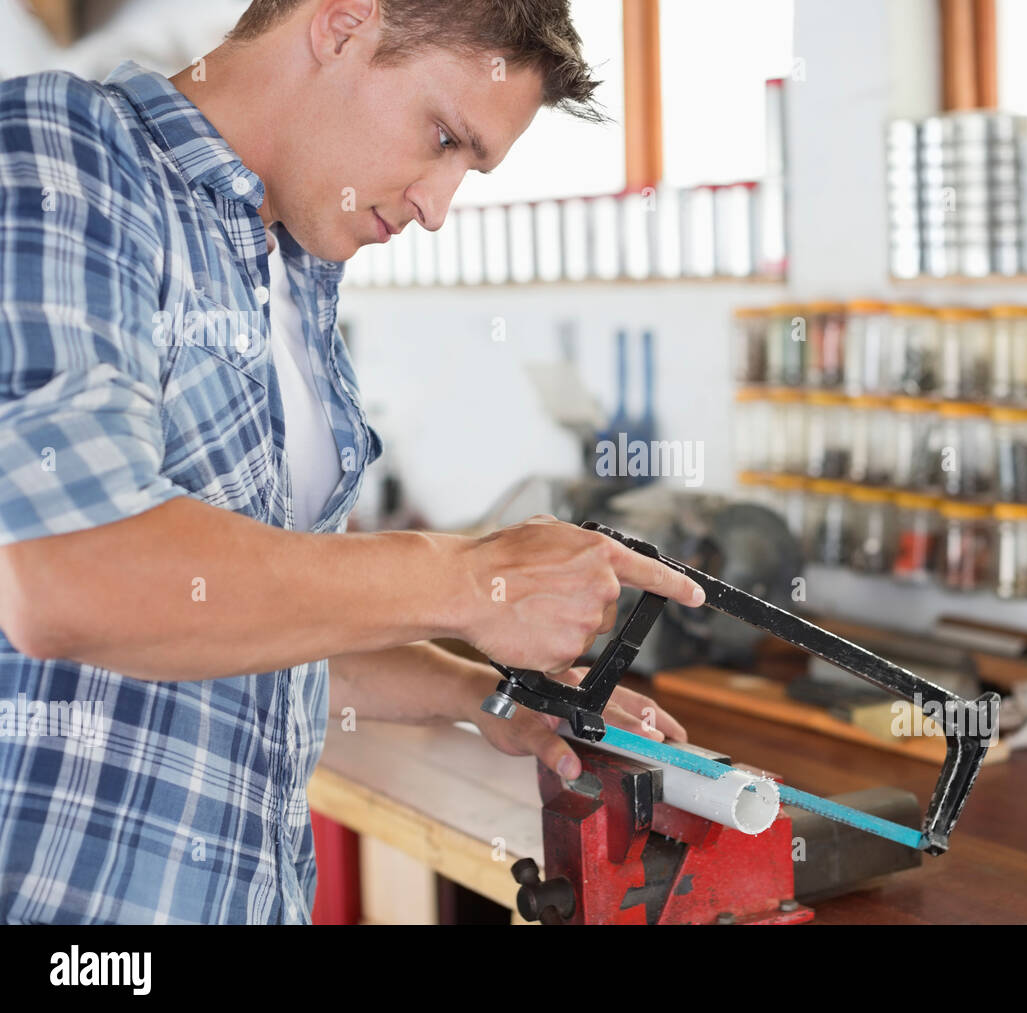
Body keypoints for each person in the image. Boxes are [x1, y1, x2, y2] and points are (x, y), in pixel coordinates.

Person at [0, 0, 702, 924]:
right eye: (443, 136)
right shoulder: (63, 152)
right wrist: (464, 573)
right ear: (342, 24)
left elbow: (253, 634)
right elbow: (67, 576)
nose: (437, 207)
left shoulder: (294, 266)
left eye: (469, 167)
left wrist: (489, 696)